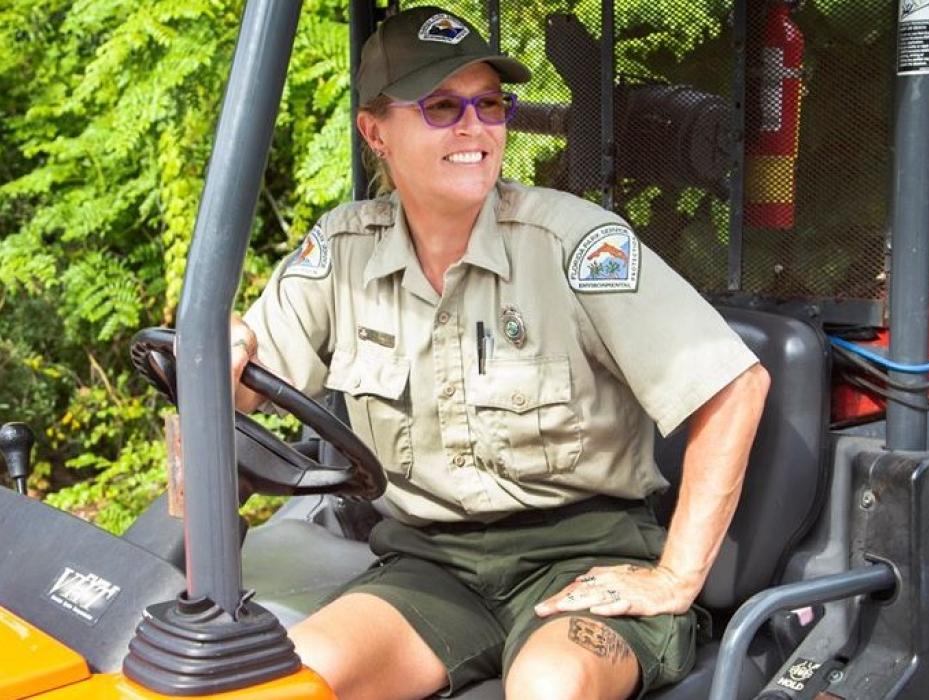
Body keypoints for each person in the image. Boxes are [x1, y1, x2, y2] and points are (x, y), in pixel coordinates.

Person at [230, 5, 770, 699]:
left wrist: (676, 576)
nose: (474, 128)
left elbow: (733, 386)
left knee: (549, 685)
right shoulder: (342, 253)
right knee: (291, 679)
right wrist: (227, 350)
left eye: (491, 104)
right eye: (442, 106)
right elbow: (245, 390)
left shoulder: (574, 244)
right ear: (375, 131)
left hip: (582, 554)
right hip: (432, 565)